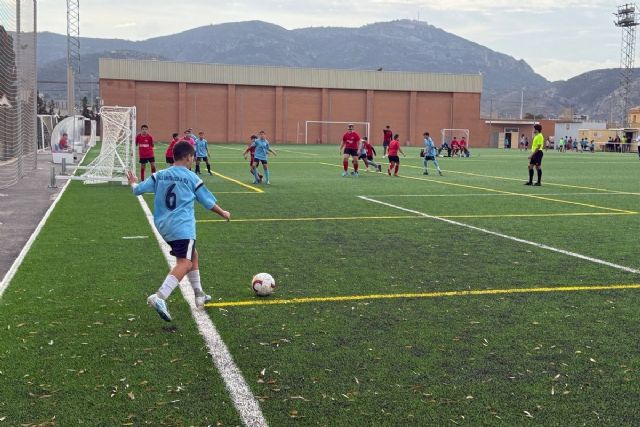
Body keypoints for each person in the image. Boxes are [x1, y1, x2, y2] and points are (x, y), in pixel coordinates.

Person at [127, 141, 231, 322]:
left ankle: (199, 293)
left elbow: (138, 190)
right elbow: (207, 201)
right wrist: (223, 213)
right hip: (182, 226)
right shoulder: (192, 177)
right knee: (185, 262)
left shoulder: (159, 175)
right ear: (189, 157)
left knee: (193, 255)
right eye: (193, 157)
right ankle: (159, 296)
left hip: (163, 226)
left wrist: (134, 183)